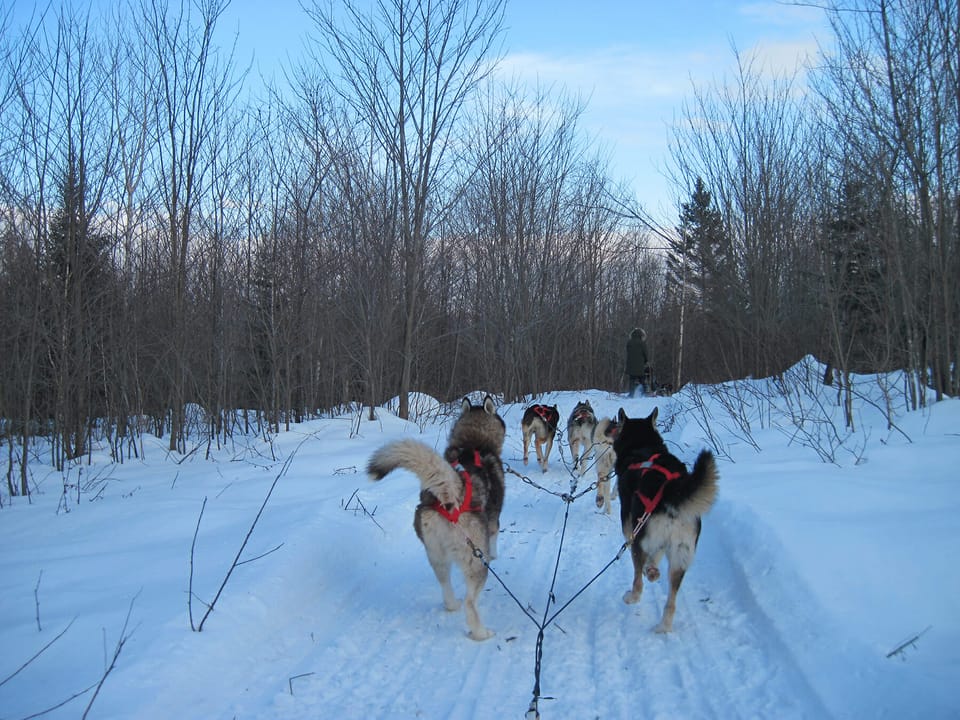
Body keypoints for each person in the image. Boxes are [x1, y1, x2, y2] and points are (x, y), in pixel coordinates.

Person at [625, 328, 649, 397]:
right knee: (642, 379)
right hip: (640, 365)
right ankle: (645, 393)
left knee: (632, 380)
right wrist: (646, 361)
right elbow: (645, 353)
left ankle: (631, 394)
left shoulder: (629, 342)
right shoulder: (642, 343)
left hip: (630, 365)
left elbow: (628, 352)